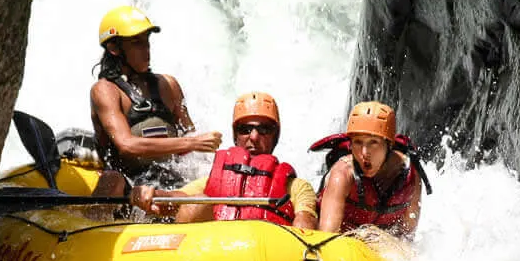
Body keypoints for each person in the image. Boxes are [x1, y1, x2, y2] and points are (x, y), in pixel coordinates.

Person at [130, 91, 319, 229]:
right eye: (245, 129)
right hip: (213, 260)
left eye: (264, 129)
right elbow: (176, 199)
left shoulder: (297, 187)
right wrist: (153, 194)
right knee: (197, 202)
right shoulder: (211, 182)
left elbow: (306, 226)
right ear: (235, 136)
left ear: (275, 136)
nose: (253, 137)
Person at [90, 5, 222, 196]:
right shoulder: (105, 90)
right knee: (112, 180)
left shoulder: (168, 85)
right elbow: (126, 145)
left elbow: (193, 147)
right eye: (137, 43)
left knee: (202, 189)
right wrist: (191, 143)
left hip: (170, 181)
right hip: (128, 184)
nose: (146, 50)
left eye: (147, 42)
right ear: (114, 48)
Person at [311, 101, 430, 239]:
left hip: (380, 248)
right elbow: (326, 237)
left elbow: (408, 237)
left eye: (373, 142)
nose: (364, 152)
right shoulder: (343, 174)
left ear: (389, 144)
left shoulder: (411, 176)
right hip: (344, 242)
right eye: (357, 142)